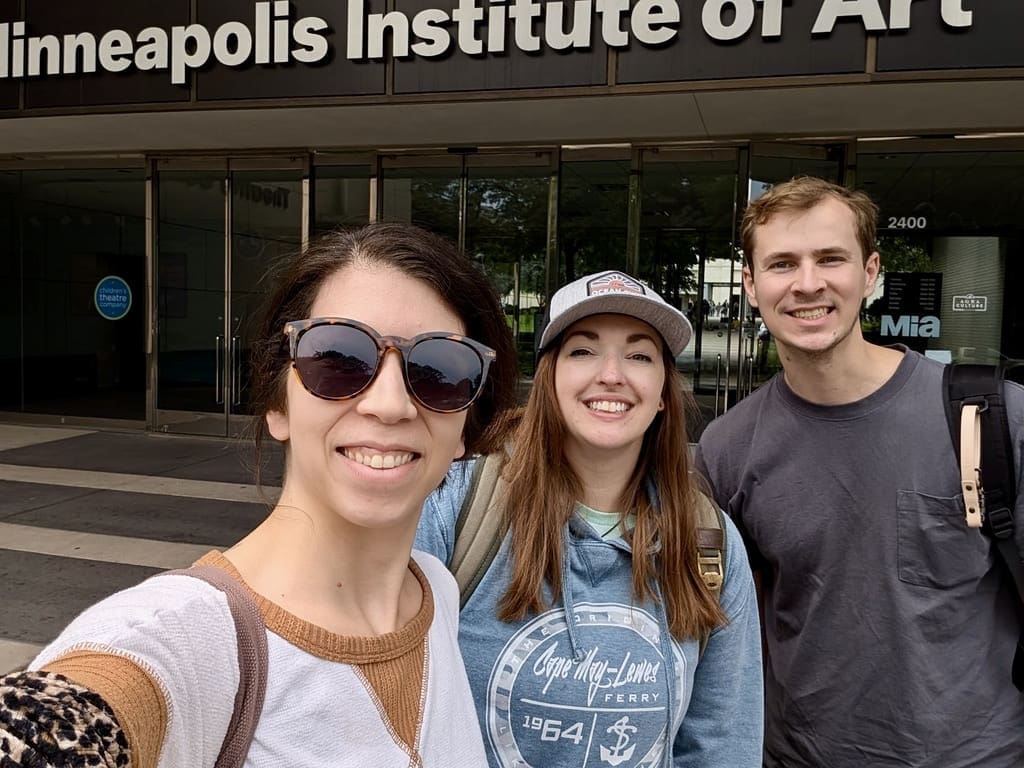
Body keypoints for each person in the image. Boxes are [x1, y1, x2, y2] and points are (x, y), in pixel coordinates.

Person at [0, 222, 518, 767]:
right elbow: (67, 717)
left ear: (466, 427)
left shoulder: (435, 589)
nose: (389, 404)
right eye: (339, 357)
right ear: (277, 402)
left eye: (442, 369)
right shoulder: (186, 637)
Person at [694, 176, 1024, 767]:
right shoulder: (727, 449)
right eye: (782, 263)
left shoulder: (992, 418)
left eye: (831, 259)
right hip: (798, 756)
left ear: (870, 273)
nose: (807, 283)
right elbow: (726, 635)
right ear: (750, 284)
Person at [416, 269, 763, 767]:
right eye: (583, 350)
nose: (612, 374)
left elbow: (722, 744)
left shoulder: (709, 539)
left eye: (640, 355)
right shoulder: (457, 504)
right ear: (548, 378)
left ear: (663, 390)